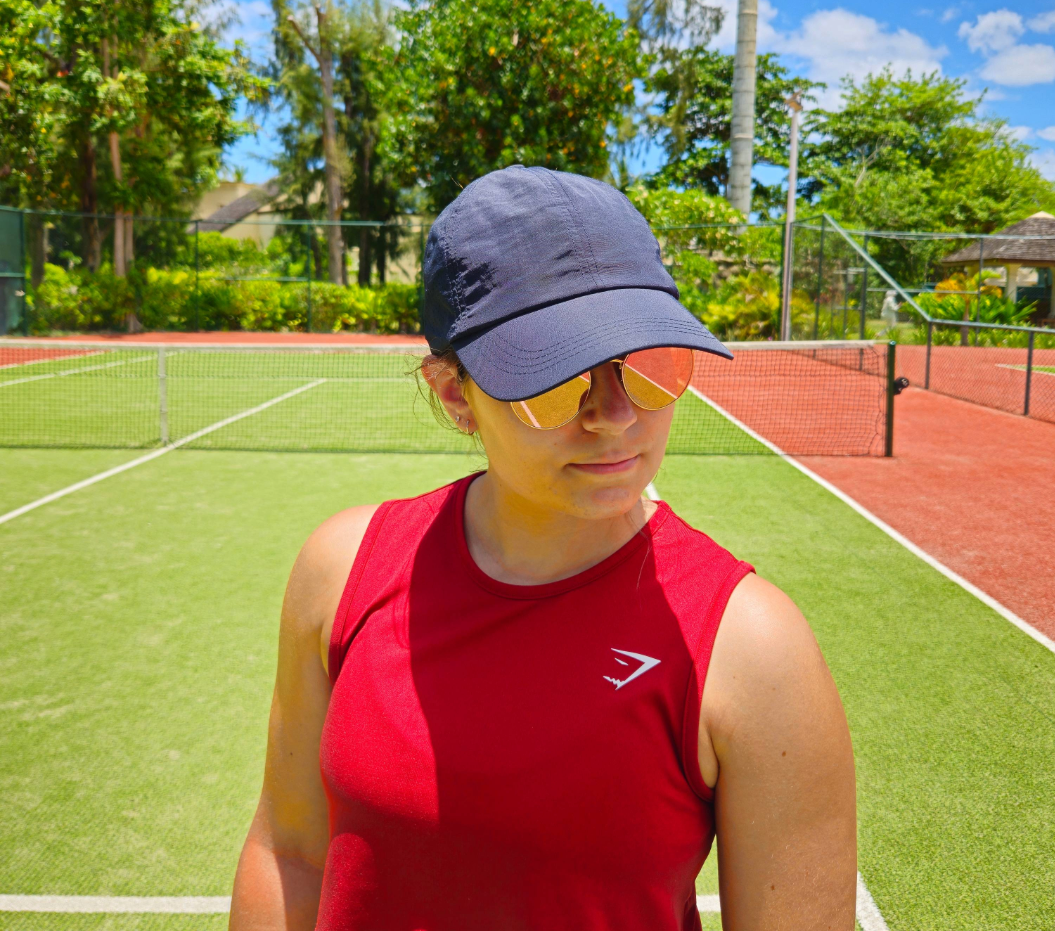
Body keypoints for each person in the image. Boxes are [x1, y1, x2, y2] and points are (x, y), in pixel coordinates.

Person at [229, 166, 856, 931]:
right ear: (454, 394)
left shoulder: (753, 649)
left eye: (651, 364)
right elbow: (290, 850)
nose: (616, 416)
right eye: (556, 381)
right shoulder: (341, 573)